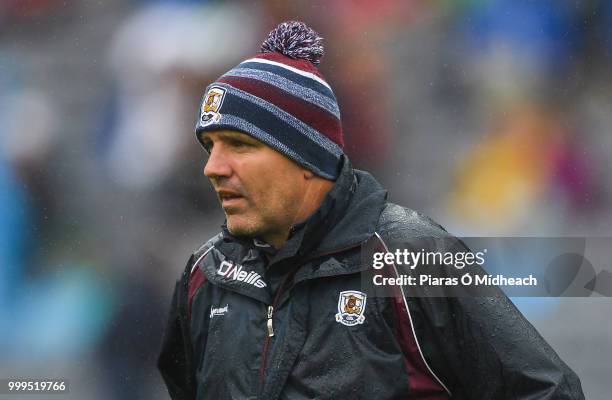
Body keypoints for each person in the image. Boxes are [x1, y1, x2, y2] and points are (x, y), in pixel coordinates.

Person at [158, 21, 584, 400]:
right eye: (210, 147)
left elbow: (546, 390)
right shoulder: (206, 275)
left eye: (240, 145)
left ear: (306, 159)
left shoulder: (412, 257)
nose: (212, 167)